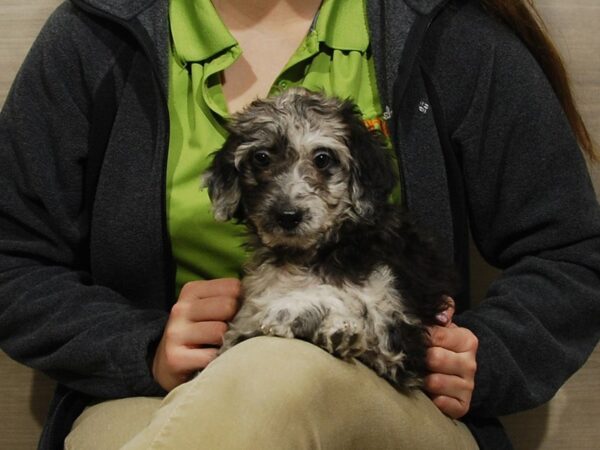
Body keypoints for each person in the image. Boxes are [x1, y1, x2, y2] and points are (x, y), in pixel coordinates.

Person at [0, 0, 598, 448]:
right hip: (157, 397)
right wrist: (140, 346)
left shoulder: (452, 32)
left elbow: (572, 254)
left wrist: (484, 355)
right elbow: (12, 260)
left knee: (278, 366)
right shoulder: (94, 35)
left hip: (396, 401)